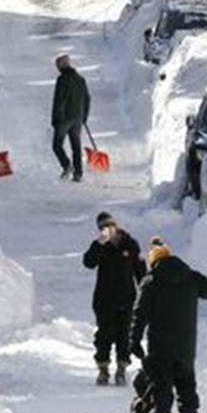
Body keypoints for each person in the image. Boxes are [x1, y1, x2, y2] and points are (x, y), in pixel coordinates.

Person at [130, 237, 207, 413]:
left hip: (161, 346)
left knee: (162, 388)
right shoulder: (190, 277)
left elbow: (140, 314)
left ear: (153, 262)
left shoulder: (151, 281)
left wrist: (135, 341)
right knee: (186, 385)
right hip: (185, 346)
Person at [82, 211, 146, 386]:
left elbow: (140, 270)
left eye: (110, 226)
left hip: (127, 298)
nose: (107, 230)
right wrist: (99, 244)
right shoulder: (100, 246)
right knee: (104, 333)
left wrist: (148, 290)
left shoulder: (130, 244)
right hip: (104, 298)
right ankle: (103, 368)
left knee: (124, 334)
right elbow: (88, 263)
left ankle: (121, 368)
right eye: (103, 228)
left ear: (115, 225)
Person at [50, 54, 91, 182]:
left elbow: (59, 100)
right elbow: (87, 98)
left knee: (57, 145)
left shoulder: (62, 79)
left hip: (64, 118)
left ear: (62, 66)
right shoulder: (80, 79)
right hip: (78, 118)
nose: (57, 68)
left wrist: (55, 118)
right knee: (76, 146)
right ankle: (78, 173)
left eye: (58, 66)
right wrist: (84, 116)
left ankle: (67, 165)